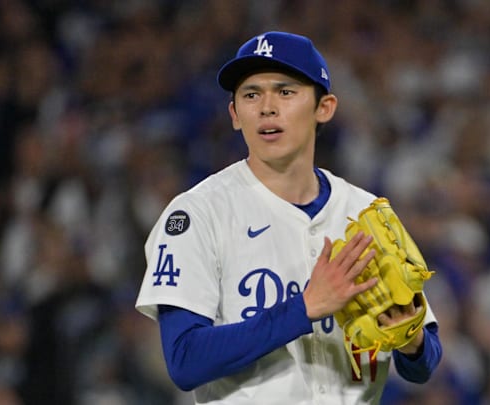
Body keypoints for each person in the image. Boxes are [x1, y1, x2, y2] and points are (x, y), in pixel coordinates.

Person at [135, 31, 442, 404]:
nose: (267, 107)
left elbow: (423, 365)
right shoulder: (198, 214)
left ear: (324, 107)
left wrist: (412, 340)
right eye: (251, 94)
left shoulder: (364, 212)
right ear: (235, 114)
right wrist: (303, 309)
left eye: (285, 91)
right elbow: (184, 360)